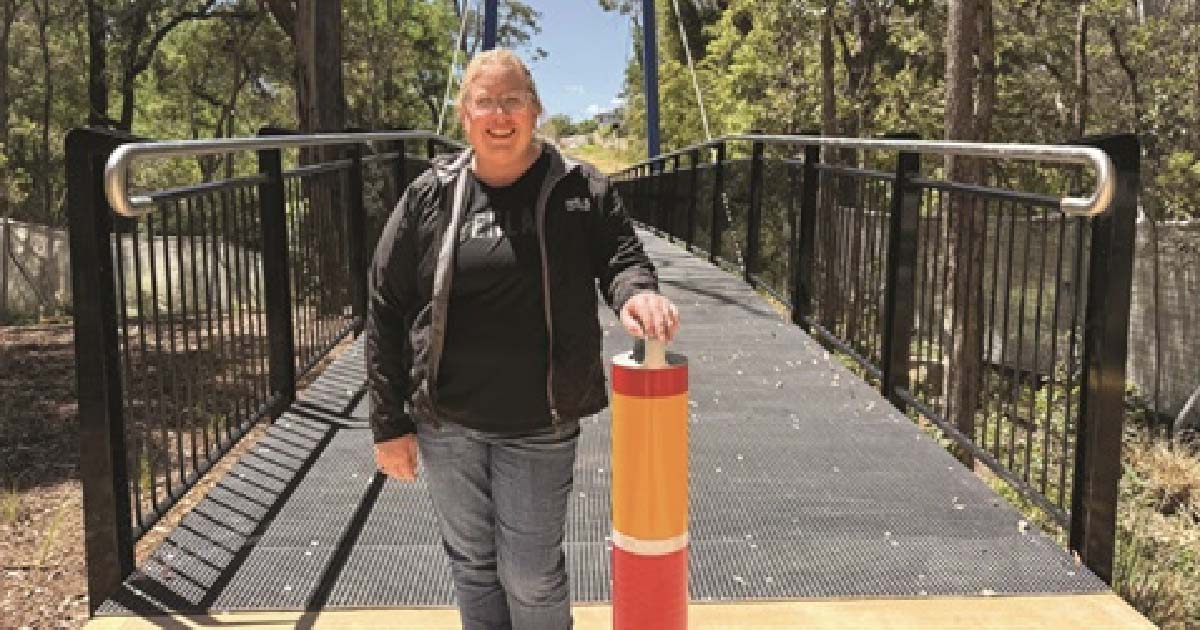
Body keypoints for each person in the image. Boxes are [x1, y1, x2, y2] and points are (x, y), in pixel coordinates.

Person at [365, 48, 680, 630]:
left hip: (541, 420)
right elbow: (386, 304)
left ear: (535, 110)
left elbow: (620, 256)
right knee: (473, 565)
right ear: (465, 117)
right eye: (485, 101)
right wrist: (390, 423)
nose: (499, 114)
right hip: (447, 420)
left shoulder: (579, 188)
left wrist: (637, 292)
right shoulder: (429, 194)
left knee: (531, 573)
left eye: (513, 100)